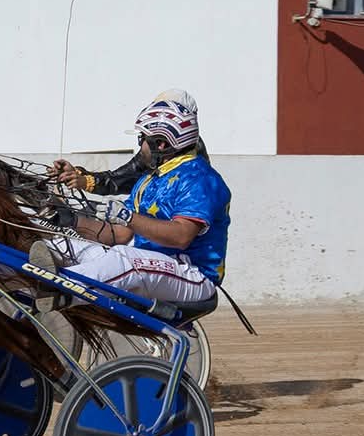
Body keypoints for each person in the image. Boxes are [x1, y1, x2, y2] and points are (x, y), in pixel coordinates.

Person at [40, 94, 229, 307]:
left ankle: (55, 289)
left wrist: (127, 216)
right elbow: (120, 235)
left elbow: (181, 236)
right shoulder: (148, 180)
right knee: (63, 246)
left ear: (161, 144)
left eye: (142, 140)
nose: (140, 147)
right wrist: (69, 219)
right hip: (148, 262)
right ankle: (8, 279)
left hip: (193, 274)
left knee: (124, 259)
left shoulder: (199, 179)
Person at [48, 88, 206, 195]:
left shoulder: (194, 172)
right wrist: (79, 175)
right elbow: (119, 178)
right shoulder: (160, 152)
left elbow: (179, 234)